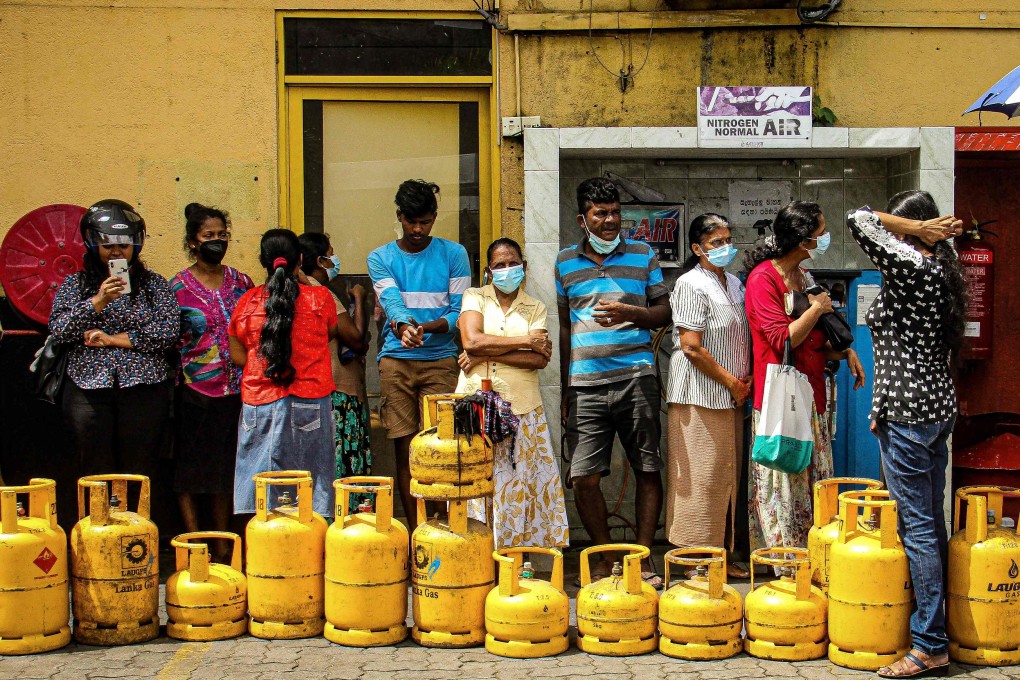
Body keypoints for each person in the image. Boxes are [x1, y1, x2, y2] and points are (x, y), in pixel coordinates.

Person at [847, 192, 965, 679]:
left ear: (914, 228)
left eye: (904, 227)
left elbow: (859, 218)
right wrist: (880, 406)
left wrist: (913, 232)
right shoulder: (943, 267)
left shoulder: (912, 264)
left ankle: (930, 643)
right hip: (934, 407)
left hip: (911, 415)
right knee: (930, 524)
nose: (893, 235)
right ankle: (936, 627)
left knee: (917, 529)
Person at [556, 177, 670, 588]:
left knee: (648, 466)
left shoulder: (642, 254)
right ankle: (603, 555)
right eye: (600, 213)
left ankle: (642, 556)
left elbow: (663, 312)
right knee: (583, 475)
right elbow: (567, 327)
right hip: (585, 384)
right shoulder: (565, 262)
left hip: (638, 378)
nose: (610, 221)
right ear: (582, 219)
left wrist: (630, 313)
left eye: (615, 212)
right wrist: (567, 388)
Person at [743, 201, 865, 552]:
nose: (825, 238)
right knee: (784, 482)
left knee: (814, 483)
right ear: (802, 241)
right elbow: (783, 339)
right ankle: (786, 563)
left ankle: (814, 558)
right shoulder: (762, 279)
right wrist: (816, 308)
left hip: (813, 395)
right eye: (820, 233)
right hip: (782, 401)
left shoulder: (804, 277)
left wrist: (845, 351)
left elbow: (812, 342)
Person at [49, 199, 180, 482]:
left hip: (144, 388)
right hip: (89, 388)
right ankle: (97, 524)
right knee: (94, 467)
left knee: (140, 466)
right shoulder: (76, 284)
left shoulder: (153, 284)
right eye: (109, 246)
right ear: (94, 246)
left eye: (124, 245)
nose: (117, 251)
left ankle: (137, 524)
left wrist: (110, 339)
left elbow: (168, 331)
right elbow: (59, 330)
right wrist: (98, 301)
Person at [367, 179, 470, 531]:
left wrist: (424, 327)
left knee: (441, 450)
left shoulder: (454, 254)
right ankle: (417, 532)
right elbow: (392, 302)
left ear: (435, 217)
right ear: (399, 216)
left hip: (441, 361)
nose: (417, 229)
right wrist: (402, 327)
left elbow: (459, 313)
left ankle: (441, 527)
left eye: (424, 222)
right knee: (405, 449)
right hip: (396, 360)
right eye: (410, 221)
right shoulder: (380, 258)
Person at [456, 238, 569, 549]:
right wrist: (523, 341)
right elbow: (472, 341)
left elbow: (538, 359)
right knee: (479, 485)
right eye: (499, 265)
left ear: (525, 267)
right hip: (476, 409)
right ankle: (477, 559)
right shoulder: (474, 296)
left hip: (522, 409)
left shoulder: (536, 307)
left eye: (513, 264)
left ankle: (516, 560)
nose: (507, 270)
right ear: (489, 271)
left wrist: (485, 356)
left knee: (519, 486)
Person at [228, 229, 343, 518]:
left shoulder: (248, 302)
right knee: (309, 489)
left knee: (261, 491)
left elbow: (238, 355)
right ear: (300, 259)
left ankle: (261, 553)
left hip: (259, 402)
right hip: (310, 401)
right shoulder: (320, 299)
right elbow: (328, 334)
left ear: (263, 262)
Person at [665, 213, 751, 579]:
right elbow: (691, 347)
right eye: (716, 242)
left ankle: (717, 554)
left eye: (728, 239)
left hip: (732, 393)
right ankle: (694, 561)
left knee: (724, 476)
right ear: (697, 248)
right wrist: (731, 381)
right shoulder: (690, 283)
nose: (725, 247)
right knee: (699, 479)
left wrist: (740, 382)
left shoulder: (733, 281)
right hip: (700, 393)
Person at [170, 203, 253, 536]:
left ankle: (223, 544)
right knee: (189, 471)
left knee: (226, 471)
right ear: (193, 241)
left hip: (236, 391)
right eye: (208, 236)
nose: (216, 241)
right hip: (194, 391)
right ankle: (192, 540)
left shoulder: (241, 282)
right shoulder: (176, 287)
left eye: (222, 235)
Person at [297, 232, 371, 506]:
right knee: (344, 466)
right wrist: (359, 299)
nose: (334, 259)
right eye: (331, 253)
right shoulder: (322, 294)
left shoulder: (300, 290)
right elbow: (355, 339)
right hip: (338, 391)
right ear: (320, 260)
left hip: (312, 390)